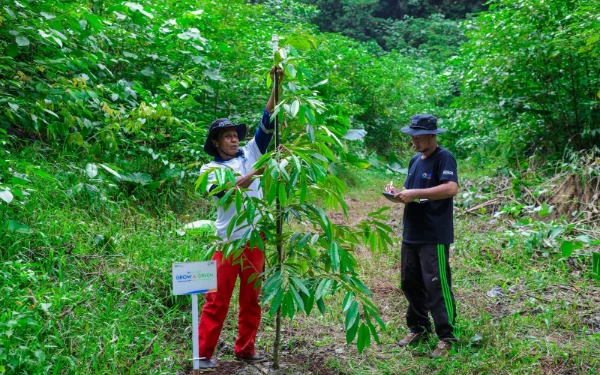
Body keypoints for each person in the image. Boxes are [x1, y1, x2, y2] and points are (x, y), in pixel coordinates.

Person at [197, 67, 283, 371]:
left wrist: (277, 84)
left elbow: (267, 120)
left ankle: (246, 349)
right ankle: (204, 354)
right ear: (217, 143)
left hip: (254, 240)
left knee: (251, 300)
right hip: (227, 243)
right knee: (216, 300)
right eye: (227, 137)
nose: (234, 140)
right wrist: (253, 174)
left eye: (235, 135)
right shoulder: (209, 170)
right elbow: (222, 193)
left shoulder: (250, 152)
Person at [385, 114, 459, 358]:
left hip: (433, 234)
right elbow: (411, 192)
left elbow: (450, 188)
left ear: (432, 135)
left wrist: (415, 192)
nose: (415, 141)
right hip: (411, 233)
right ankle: (418, 328)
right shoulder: (414, 161)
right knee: (410, 282)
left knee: (436, 285)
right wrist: (398, 193)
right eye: (412, 137)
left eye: (419, 137)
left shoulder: (444, 158)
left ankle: (447, 337)